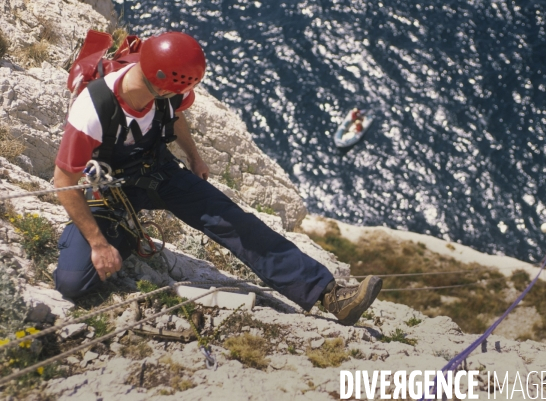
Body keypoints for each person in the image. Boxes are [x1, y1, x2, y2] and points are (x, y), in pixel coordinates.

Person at [52, 32, 381, 326]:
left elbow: (174, 115)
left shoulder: (164, 87)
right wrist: (98, 244)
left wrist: (194, 156)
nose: (184, 94)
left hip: (157, 173)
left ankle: (329, 294)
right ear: (164, 82)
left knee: (236, 222)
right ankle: (119, 233)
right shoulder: (93, 109)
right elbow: (63, 181)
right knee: (71, 281)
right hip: (109, 190)